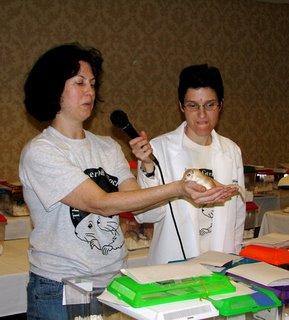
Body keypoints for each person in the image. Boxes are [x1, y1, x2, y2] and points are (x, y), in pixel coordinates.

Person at [19, 44, 234, 320]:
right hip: (61, 286)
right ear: (54, 88)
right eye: (79, 83)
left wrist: (147, 167)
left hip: (111, 283)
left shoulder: (108, 147)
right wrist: (178, 188)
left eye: (93, 84)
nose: (90, 92)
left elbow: (143, 206)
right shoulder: (42, 151)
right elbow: (100, 203)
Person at [130, 64, 246, 265]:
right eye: (193, 105)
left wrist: (233, 260)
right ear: (181, 106)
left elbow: (238, 215)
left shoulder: (231, 151)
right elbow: (145, 215)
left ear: (221, 105)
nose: (202, 114)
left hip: (220, 265)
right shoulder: (158, 149)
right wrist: (148, 167)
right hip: (173, 265)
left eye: (210, 105)